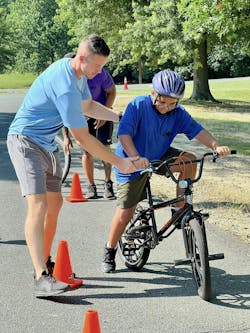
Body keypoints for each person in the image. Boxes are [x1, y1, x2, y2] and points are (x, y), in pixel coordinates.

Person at [7, 34, 141, 297]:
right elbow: (83, 138)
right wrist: (119, 162)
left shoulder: (79, 76)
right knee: (38, 204)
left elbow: (89, 105)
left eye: (102, 66)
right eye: (98, 66)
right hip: (25, 141)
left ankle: (45, 261)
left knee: (55, 205)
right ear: (82, 58)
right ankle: (41, 277)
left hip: (46, 144)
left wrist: (117, 115)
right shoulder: (66, 84)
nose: (100, 72)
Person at [101, 69, 231, 273]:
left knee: (189, 160)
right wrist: (136, 158)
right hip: (131, 160)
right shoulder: (138, 105)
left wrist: (215, 145)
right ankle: (109, 249)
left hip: (159, 154)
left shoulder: (177, 114)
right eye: (163, 102)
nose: (167, 107)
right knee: (126, 209)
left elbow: (197, 131)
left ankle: (179, 209)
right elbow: (124, 135)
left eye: (173, 103)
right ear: (154, 93)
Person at [63, 52, 116, 199]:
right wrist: (66, 137)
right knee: (86, 152)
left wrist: (105, 112)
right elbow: (64, 111)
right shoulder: (67, 80)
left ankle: (108, 183)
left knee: (105, 148)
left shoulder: (98, 72)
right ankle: (91, 185)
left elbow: (112, 92)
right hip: (82, 117)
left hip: (101, 112)